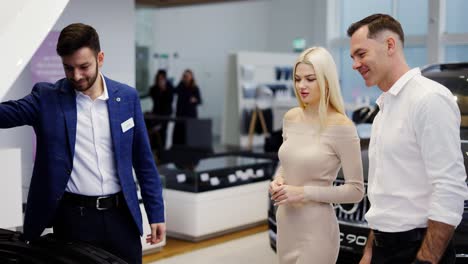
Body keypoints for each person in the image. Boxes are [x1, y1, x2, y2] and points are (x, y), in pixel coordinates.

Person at [0, 23, 165, 264]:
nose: (76, 76)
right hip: (74, 221)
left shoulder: (127, 98)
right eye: (68, 68)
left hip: (122, 217)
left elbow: (144, 161)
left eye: (84, 66)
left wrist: (156, 212)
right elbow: (6, 114)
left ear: (100, 58)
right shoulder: (47, 98)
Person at [347, 14, 468, 264]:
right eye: (352, 57)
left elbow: (449, 187)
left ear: (390, 45)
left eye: (361, 54)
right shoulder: (385, 109)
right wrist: (370, 251)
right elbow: (387, 198)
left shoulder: (429, 99)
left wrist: (426, 259)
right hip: (384, 247)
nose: (354, 65)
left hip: (420, 250)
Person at [269, 46, 364, 264]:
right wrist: (278, 181)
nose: (301, 85)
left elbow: (356, 190)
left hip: (316, 230)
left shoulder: (342, 127)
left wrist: (302, 193)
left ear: (326, 79)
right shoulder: (291, 118)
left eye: (310, 79)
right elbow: (287, 163)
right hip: (285, 222)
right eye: (297, 79)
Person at [172, 69, 202, 145]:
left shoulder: (195, 88)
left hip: (190, 115)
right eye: (184, 76)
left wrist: (195, 100)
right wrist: (181, 81)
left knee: (190, 136)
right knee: (179, 136)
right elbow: (174, 91)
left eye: (187, 76)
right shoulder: (181, 85)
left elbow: (200, 101)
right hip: (180, 114)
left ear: (191, 77)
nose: (186, 78)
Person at [148, 69, 174, 151]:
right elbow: (154, 97)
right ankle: (155, 150)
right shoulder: (154, 88)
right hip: (156, 113)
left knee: (163, 131)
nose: (160, 80)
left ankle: (162, 151)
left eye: (162, 78)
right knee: (155, 131)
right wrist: (159, 90)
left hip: (166, 114)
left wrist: (164, 90)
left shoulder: (169, 87)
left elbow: (170, 100)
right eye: (159, 78)